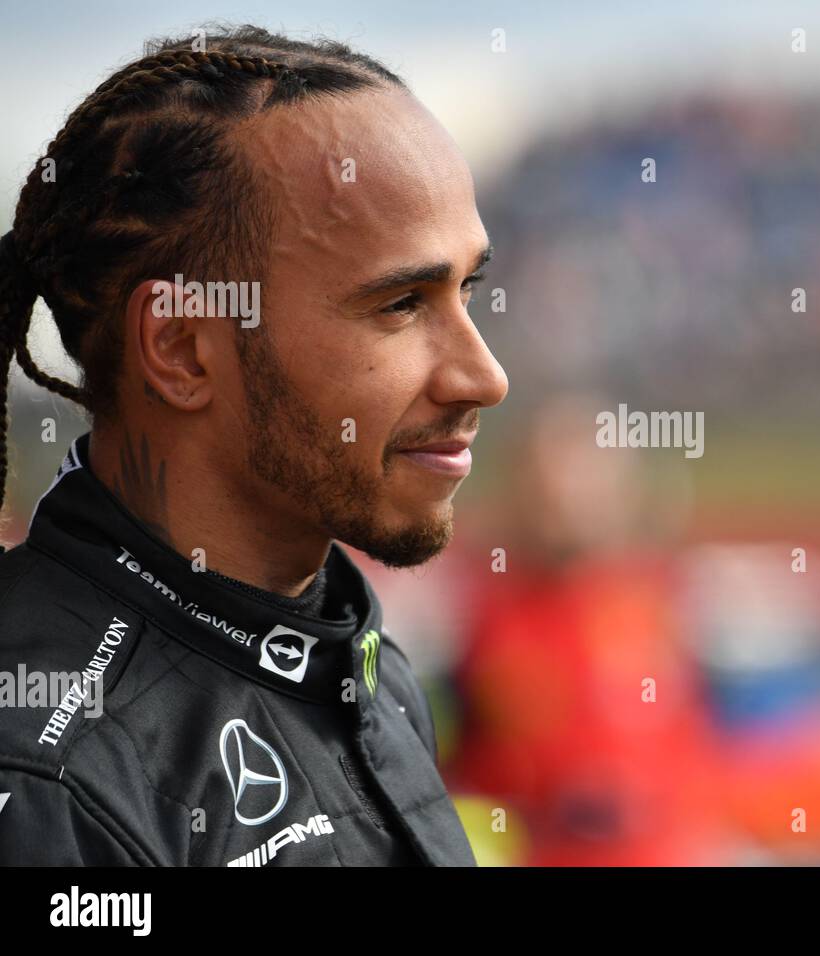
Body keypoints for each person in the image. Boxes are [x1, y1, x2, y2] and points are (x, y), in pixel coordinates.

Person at [0, 25, 507, 865]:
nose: (483, 376)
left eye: (467, 290)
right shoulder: (50, 781)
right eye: (400, 305)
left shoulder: (354, 654)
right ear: (182, 348)